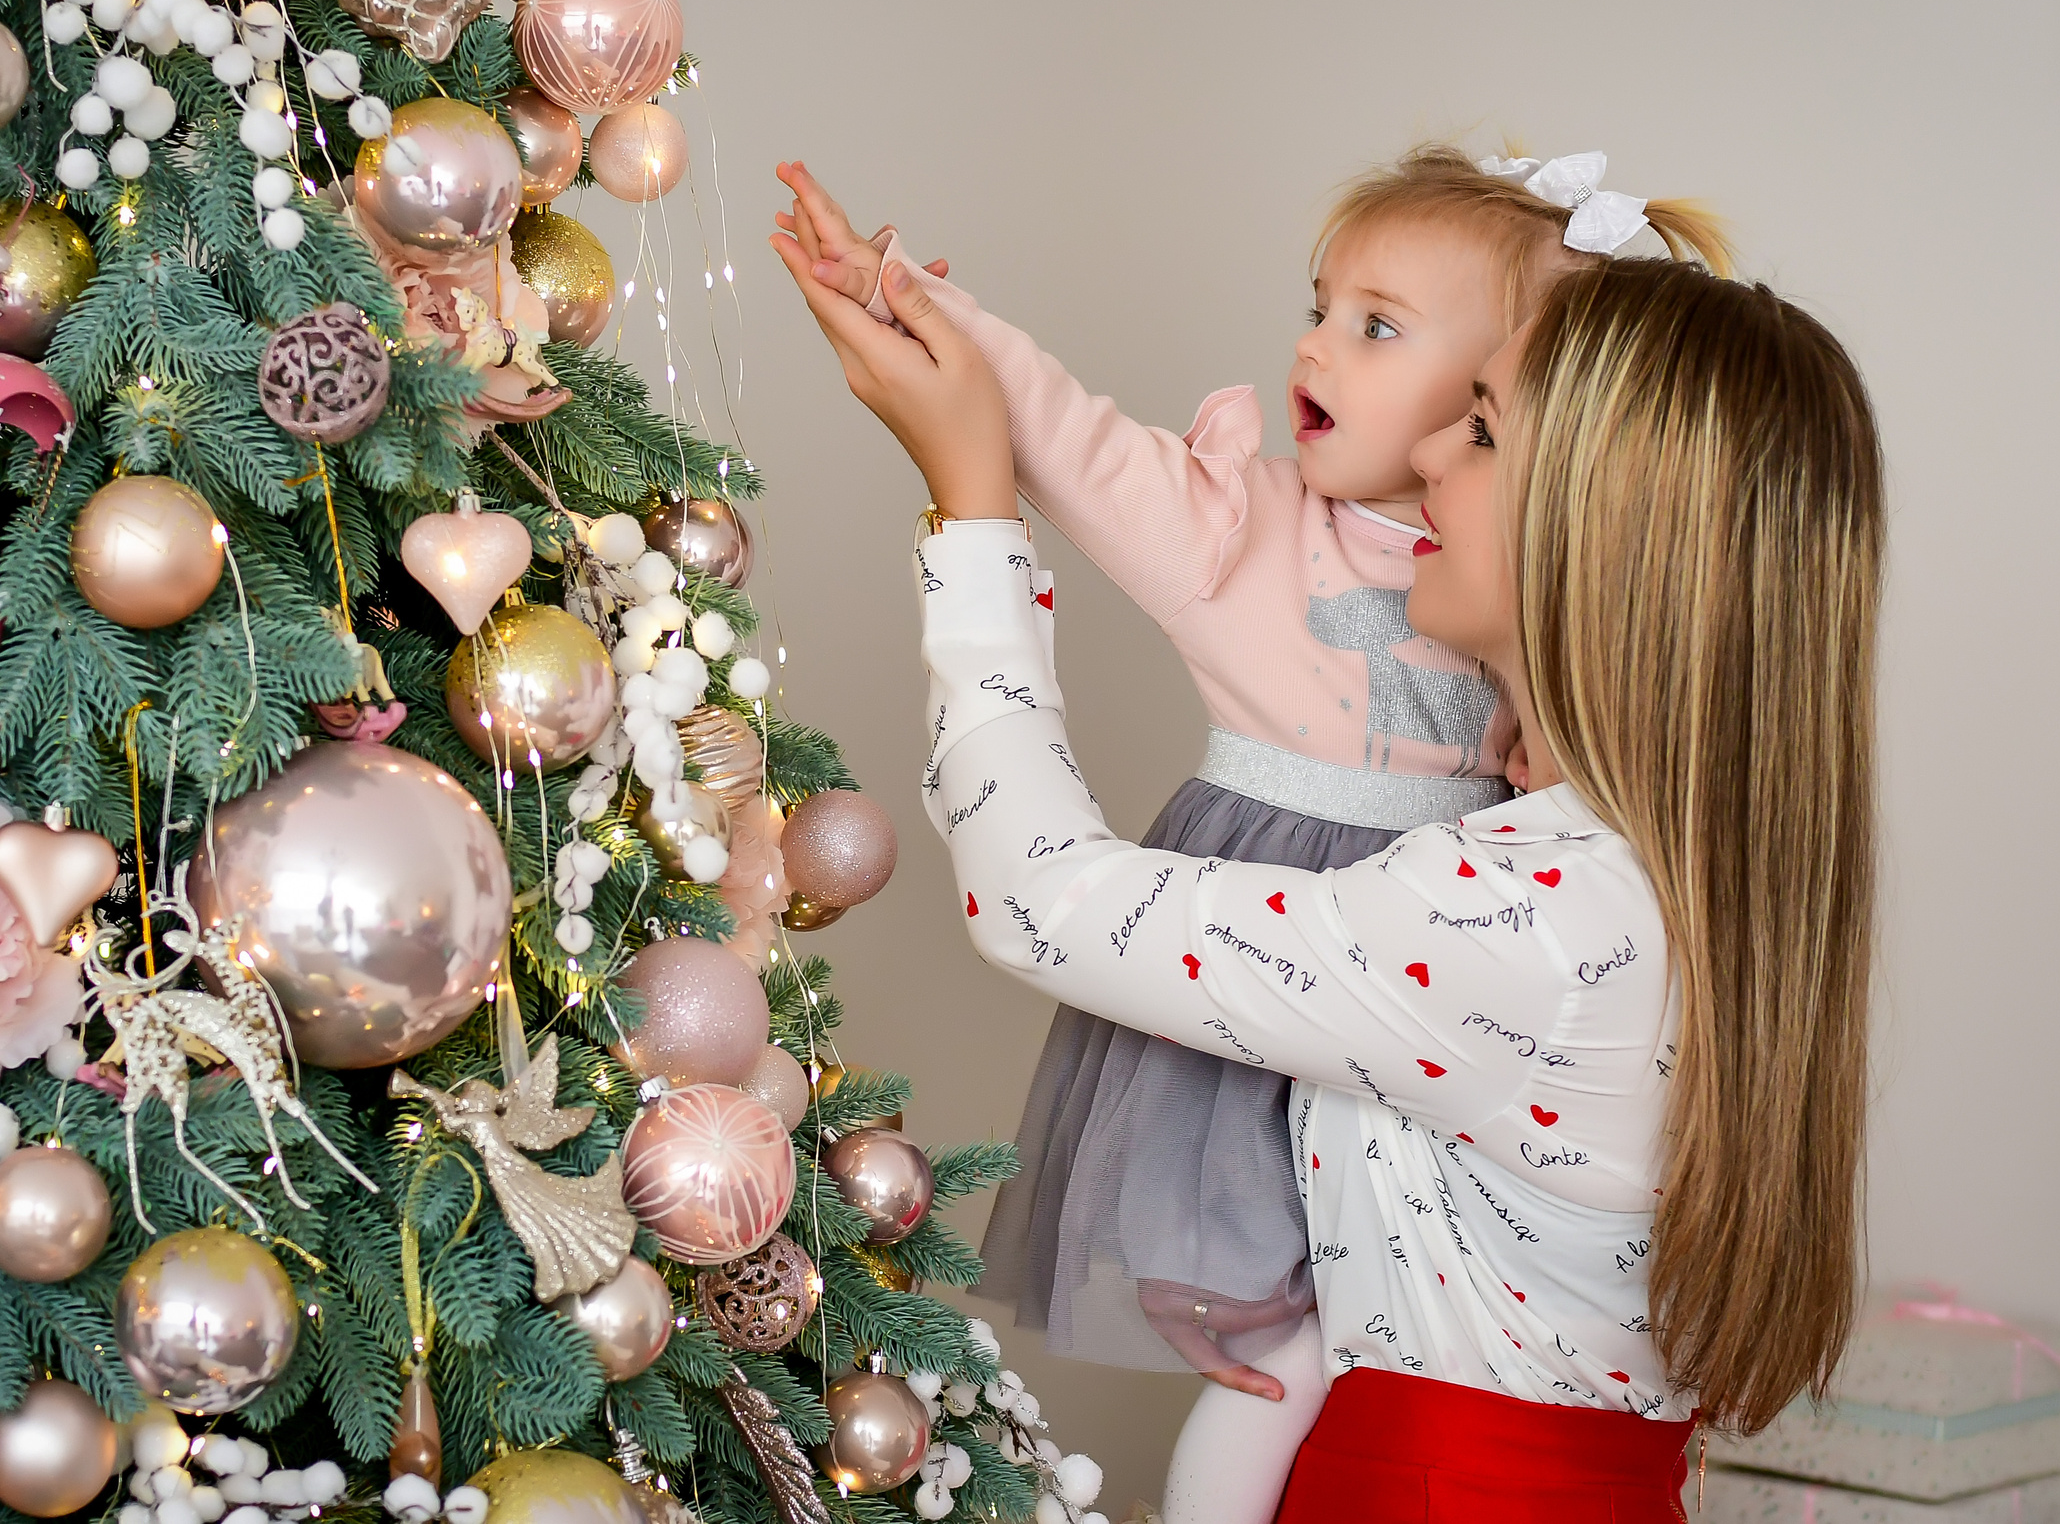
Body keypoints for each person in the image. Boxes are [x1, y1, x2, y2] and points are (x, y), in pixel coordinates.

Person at [770, 233, 1881, 1523]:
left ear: (1601, 527)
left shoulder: (1532, 920)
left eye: (1481, 430)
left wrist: (971, 513)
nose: (1422, 460)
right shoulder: (1642, 885)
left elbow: (1041, 899)